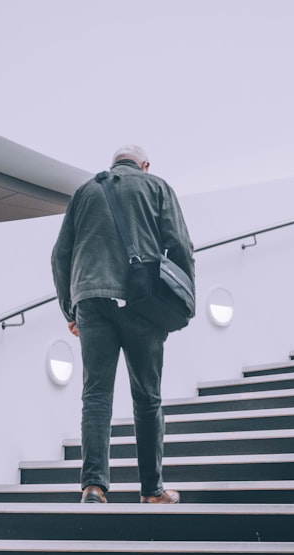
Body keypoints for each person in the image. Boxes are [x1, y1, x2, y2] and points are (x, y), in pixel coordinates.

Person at [51, 145, 195, 504]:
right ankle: (151, 491)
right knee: (147, 398)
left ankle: (93, 487)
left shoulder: (84, 192)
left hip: (91, 301)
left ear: (113, 163)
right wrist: (183, 300)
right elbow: (180, 245)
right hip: (141, 301)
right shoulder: (156, 186)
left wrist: (71, 310)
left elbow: (60, 255)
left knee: (96, 395)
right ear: (144, 165)